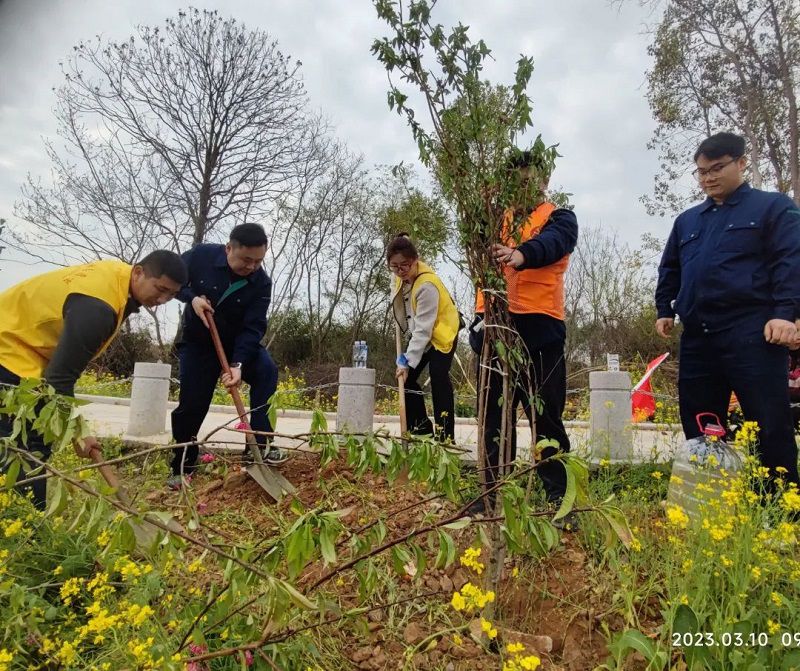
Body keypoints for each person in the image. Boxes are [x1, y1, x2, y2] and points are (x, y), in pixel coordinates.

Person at [655, 131, 800, 487]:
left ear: (741, 163)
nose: (708, 177)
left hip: (752, 331)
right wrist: (664, 307)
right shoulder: (688, 221)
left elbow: (790, 260)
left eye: (716, 168)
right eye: (701, 172)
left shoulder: (773, 207)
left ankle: (779, 505)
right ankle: (709, 495)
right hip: (699, 336)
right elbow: (670, 266)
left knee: (768, 420)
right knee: (701, 419)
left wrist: (786, 312)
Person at [0, 251, 187, 508]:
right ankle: (26, 522)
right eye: (160, 289)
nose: (163, 299)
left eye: (172, 295)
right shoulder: (98, 308)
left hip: (24, 347)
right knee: (25, 445)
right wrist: (80, 433)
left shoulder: (118, 280)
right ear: (139, 272)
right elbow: (59, 379)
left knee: (27, 439)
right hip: (8, 348)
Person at [474, 149, 578, 514]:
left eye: (528, 181)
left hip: (541, 329)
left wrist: (520, 254)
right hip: (497, 329)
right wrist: (479, 320)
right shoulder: (493, 220)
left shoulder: (559, 218)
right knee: (493, 418)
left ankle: (556, 499)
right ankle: (490, 495)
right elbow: (483, 272)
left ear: (543, 180)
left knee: (545, 415)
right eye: (513, 183)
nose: (521, 189)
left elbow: (553, 245)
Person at [169, 223, 282, 489]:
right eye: (246, 259)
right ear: (229, 248)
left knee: (266, 371)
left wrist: (238, 365)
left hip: (239, 345)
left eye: (258, 261)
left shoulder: (261, 283)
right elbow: (171, 281)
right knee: (193, 402)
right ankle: (183, 461)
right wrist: (192, 297)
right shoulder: (200, 257)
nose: (252, 266)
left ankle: (258, 448)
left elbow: (253, 327)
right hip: (199, 344)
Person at [390, 234, 461, 442]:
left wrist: (407, 360)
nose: (400, 271)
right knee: (407, 379)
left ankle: (445, 437)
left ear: (415, 260)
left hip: (443, 333)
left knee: (439, 379)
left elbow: (423, 330)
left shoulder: (427, 285)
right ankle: (421, 431)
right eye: (395, 266)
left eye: (405, 265)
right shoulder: (400, 276)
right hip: (424, 333)